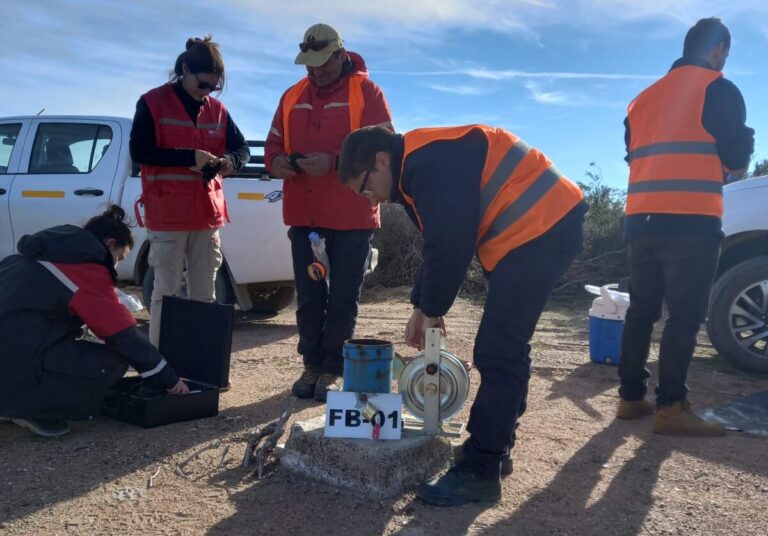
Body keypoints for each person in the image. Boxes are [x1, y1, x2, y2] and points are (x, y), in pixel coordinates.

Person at [339, 125, 587, 505]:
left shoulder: (426, 162)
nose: (368, 198)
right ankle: (495, 447)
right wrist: (421, 307)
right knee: (507, 345)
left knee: (499, 349)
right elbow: (436, 243)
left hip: (541, 227)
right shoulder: (414, 170)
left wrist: (433, 309)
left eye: (364, 186)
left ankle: (481, 469)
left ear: (381, 160)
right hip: (537, 230)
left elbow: (453, 242)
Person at [617, 17, 754, 436]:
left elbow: (633, 155)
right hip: (691, 221)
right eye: (725, 54)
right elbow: (734, 162)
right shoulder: (719, 89)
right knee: (683, 315)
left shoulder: (642, 100)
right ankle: (672, 406)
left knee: (641, 310)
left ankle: (630, 398)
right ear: (718, 50)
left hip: (641, 220)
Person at [265, 23, 393, 402]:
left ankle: (333, 368)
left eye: (323, 64)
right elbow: (272, 145)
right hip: (305, 215)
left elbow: (384, 151)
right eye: (310, 66)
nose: (316, 72)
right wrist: (279, 163)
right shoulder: (292, 96)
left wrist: (335, 163)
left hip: (352, 216)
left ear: (341, 55)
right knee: (308, 294)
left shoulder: (367, 93)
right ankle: (311, 364)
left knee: (342, 296)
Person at [0, 206, 188, 438]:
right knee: (115, 358)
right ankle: (33, 409)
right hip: (18, 360)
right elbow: (123, 336)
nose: (116, 266)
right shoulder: (85, 269)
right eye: (119, 257)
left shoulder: (33, 255)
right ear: (109, 244)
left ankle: (9, 398)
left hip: (11, 354)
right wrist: (168, 379)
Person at [130, 35, 250, 347]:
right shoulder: (152, 103)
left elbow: (242, 148)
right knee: (166, 294)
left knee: (204, 296)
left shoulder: (219, 111)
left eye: (214, 87)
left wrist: (229, 161)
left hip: (206, 215)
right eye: (203, 84)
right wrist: (188, 157)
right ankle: (163, 366)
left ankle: (199, 367)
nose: (207, 92)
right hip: (167, 215)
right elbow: (140, 151)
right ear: (184, 69)